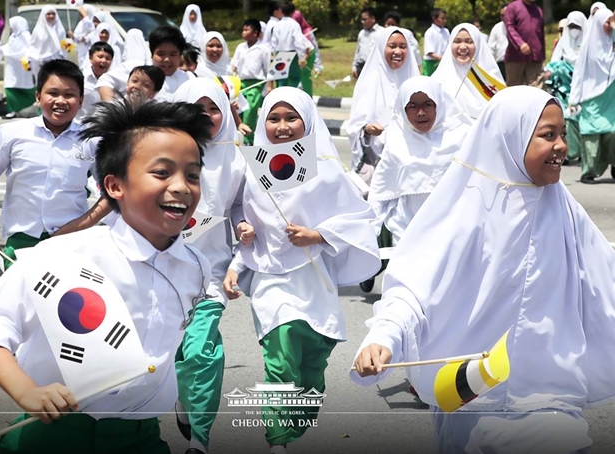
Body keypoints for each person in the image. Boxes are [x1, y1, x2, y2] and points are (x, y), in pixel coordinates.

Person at [351, 85, 615, 454]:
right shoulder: (467, 211)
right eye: (547, 135)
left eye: (561, 135)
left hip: (550, 397)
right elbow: (414, 291)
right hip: (474, 400)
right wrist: (383, 337)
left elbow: (606, 282)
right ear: (511, 137)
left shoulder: (567, 212)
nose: (560, 147)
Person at [0, 99, 214, 454]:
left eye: (192, 174)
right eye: (161, 172)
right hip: (53, 437)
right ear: (114, 186)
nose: (182, 186)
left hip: (141, 439)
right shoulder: (61, 255)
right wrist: (28, 392)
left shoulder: (195, 267)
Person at [223, 86, 380, 454]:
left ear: (307, 121)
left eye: (291, 118)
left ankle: (297, 418)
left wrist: (318, 234)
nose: (282, 126)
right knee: (280, 355)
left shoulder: (326, 170)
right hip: (270, 279)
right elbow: (239, 211)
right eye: (274, 118)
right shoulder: (253, 168)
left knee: (311, 361)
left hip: (315, 280)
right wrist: (243, 229)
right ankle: (277, 440)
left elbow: (359, 219)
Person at [172, 77, 248, 454]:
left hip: (210, 275)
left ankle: (200, 439)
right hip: (159, 271)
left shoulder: (237, 157)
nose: (205, 116)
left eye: (213, 108)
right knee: (173, 352)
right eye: (196, 108)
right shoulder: (159, 150)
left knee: (201, 350)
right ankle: (183, 397)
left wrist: (243, 225)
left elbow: (239, 206)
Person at [0, 60, 104, 269]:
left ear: (81, 101)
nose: (60, 101)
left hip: (72, 244)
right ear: (38, 97)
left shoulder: (92, 141)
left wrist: (84, 224)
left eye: (69, 95)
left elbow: (113, 192)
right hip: (21, 242)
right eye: (52, 93)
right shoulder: (11, 134)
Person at [368, 76, 471, 247]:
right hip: (406, 230)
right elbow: (380, 191)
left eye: (428, 105)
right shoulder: (397, 139)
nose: (421, 113)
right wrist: (370, 231)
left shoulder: (462, 136)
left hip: (451, 229)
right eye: (413, 107)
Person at [347, 27, 420, 174]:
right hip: (378, 164)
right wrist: (367, 129)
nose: (398, 51)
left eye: (403, 46)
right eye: (392, 46)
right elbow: (355, 126)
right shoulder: (368, 82)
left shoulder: (415, 81)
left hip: (411, 162)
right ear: (381, 47)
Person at [569, 8, 615, 184]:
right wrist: (574, 99)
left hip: (611, 96)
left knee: (612, 133)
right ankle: (589, 172)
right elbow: (579, 74)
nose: (609, 25)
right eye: (606, 21)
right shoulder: (588, 46)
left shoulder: (613, 41)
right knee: (591, 135)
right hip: (591, 98)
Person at [432, 23, 505, 119]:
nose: (462, 47)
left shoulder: (490, 79)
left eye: (469, 42)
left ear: (478, 44)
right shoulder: (437, 81)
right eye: (457, 41)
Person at [545, 11, 587, 163]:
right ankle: (569, 152)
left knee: (583, 120)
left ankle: (584, 153)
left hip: (584, 88)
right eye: (571, 26)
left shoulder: (589, 43)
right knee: (567, 119)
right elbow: (554, 61)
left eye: (577, 26)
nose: (574, 29)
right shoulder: (563, 43)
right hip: (564, 88)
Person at [231, 19, 272, 145]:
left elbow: (268, 69)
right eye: (243, 30)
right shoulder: (240, 47)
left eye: (246, 30)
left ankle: (249, 139)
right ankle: (238, 136)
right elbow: (234, 63)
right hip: (240, 82)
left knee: (250, 110)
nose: (243, 32)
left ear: (255, 33)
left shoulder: (263, 49)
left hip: (256, 84)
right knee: (239, 110)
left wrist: (269, 85)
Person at [270, 2, 313, 89]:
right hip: (292, 53)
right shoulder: (294, 25)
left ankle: (280, 97)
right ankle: (290, 97)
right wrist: (302, 58)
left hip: (280, 53)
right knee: (295, 77)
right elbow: (298, 42)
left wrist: (273, 54)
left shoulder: (277, 25)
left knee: (281, 78)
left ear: (281, 11)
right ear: (293, 12)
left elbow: (274, 41)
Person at [0, 16, 35, 120]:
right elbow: (8, 48)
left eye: (11, 24)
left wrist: (26, 57)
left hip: (22, 67)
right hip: (11, 66)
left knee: (24, 87)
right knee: (9, 87)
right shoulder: (13, 36)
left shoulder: (26, 35)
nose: (10, 27)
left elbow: (31, 47)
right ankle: (11, 110)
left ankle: (30, 102)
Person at [503, 0, 545, 86]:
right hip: (515, 57)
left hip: (535, 57)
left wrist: (542, 54)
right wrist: (520, 44)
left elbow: (541, 33)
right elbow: (510, 27)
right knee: (513, 89)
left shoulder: (538, 10)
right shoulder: (512, 7)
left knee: (536, 88)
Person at [149, 26, 190, 102]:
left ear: (180, 56)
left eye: (172, 54)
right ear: (152, 54)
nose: (167, 60)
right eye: (161, 54)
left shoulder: (188, 79)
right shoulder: (144, 80)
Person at [77, 41, 114, 121]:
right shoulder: (81, 78)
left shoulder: (112, 82)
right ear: (90, 58)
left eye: (108, 58)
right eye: (100, 57)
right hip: (79, 125)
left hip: (100, 127)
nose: (103, 61)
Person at [292, 6, 321, 96]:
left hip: (306, 61)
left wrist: (317, 66)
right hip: (295, 63)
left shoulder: (308, 32)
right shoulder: (291, 31)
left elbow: (315, 49)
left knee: (304, 83)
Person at [27, 5, 66, 70]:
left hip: (57, 61)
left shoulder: (60, 30)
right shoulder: (38, 31)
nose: (51, 16)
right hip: (41, 62)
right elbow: (33, 45)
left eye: (53, 14)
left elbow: (64, 46)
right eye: (48, 14)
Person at [353, 7, 383, 79]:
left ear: (373, 19)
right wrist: (354, 66)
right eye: (362, 19)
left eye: (365, 19)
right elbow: (358, 51)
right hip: (362, 66)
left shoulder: (381, 32)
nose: (362, 22)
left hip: (375, 67)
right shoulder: (362, 33)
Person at [423, 8, 449, 76]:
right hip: (431, 63)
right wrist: (442, 58)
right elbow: (429, 53)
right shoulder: (430, 32)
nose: (444, 21)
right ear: (434, 18)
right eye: (442, 18)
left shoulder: (446, 31)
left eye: (445, 18)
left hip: (443, 62)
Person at [488, 4, 509, 78]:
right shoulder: (497, 28)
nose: (504, 17)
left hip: (516, 62)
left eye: (506, 15)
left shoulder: (519, 25)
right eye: (502, 15)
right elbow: (490, 48)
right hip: (501, 63)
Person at [72, 5, 96, 69]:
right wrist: (73, 36)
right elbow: (77, 37)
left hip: (90, 50)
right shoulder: (81, 23)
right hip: (81, 50)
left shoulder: (93, 22)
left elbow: (91, 29)